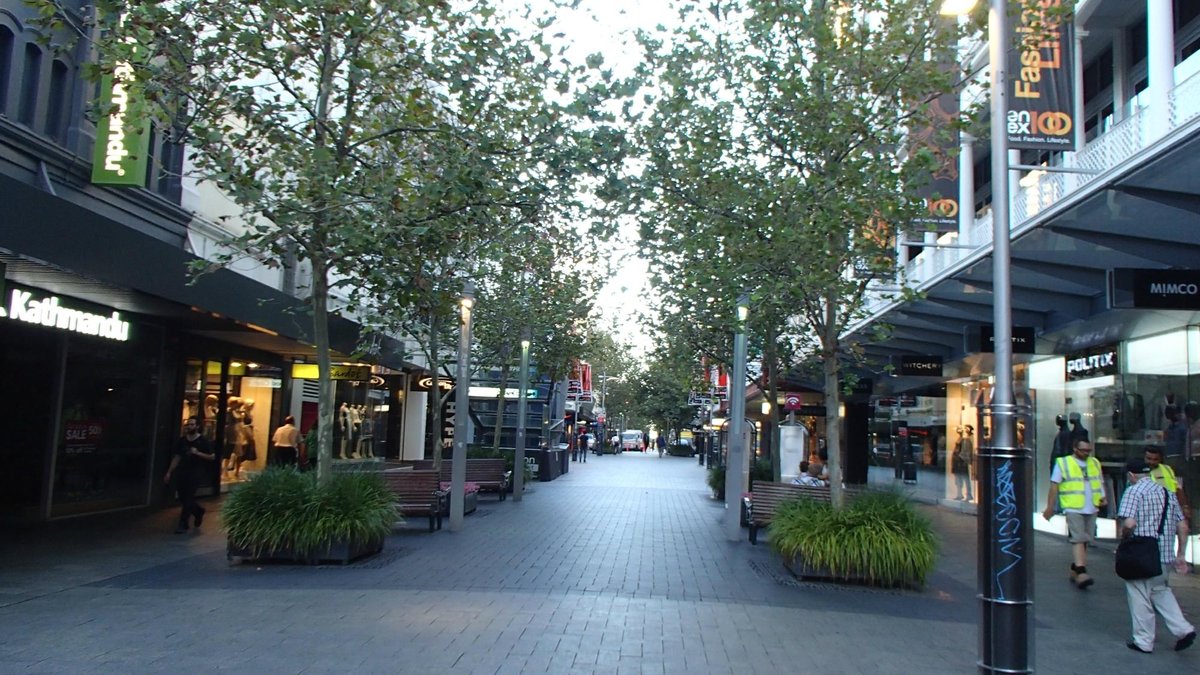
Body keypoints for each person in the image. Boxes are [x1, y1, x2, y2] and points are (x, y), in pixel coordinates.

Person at [1117, 457, 1195, 654]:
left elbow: (1129, 524)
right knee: (1160, 591)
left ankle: (1143, 640)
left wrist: (1124, 537)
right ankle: (1184, 629)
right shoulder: (1168, 493)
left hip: (1141, 555)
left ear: (1131, 475)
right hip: (1164, 555)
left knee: (1139, 594)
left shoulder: (1133, 491)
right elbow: (1182, 526)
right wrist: (1181, 554)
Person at [1043, 440, 1107, 589]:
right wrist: (1050, 507)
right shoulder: (1063, 463)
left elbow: (1099, 481)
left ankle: (1075, 567)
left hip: (1092, 506)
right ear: (1075, 449)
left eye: (1088, 451)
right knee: (1078, 538)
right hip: (1073, 507)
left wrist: (1103, 496)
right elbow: (1054, 486)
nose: (1086, 453)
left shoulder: (1094, 463)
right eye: (1083, 450)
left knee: (1086, 539)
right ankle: (1081, 571)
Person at [164, 417, 216, 534]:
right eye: (188, 425)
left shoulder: (203, 441)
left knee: (188, 496)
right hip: (183, 471)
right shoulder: (182, 441)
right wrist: (169, 471)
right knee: (183, 496)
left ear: (197, 426)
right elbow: (177, 457)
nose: (189, 427)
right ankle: (198, 511)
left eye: (192, 425)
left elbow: (212, 457)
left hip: (196, 472)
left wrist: (198, 453)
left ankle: (183, 523)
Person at [1146, 446, 1190, 523]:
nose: (1152, 462)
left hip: (1170, 508)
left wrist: (1184, 507)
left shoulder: (1167, 469)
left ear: (1160, 459)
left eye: (1155, 459)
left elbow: (1178, 488)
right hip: (1149, 510)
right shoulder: (1138, 471)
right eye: (1149, 459)